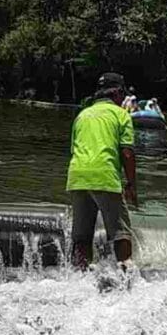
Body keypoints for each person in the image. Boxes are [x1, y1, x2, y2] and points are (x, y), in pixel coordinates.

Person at [65, 72, 137, 269]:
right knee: (121, 234)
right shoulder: (121, 115)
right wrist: (131, 185)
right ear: (117, 93)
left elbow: (74, 150)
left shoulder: (82, 115)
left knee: (81, 237)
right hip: (104, 176)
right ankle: (126, 278)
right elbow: (128, 153)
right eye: (122, 94)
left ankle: (80, 278)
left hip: (77, 177)